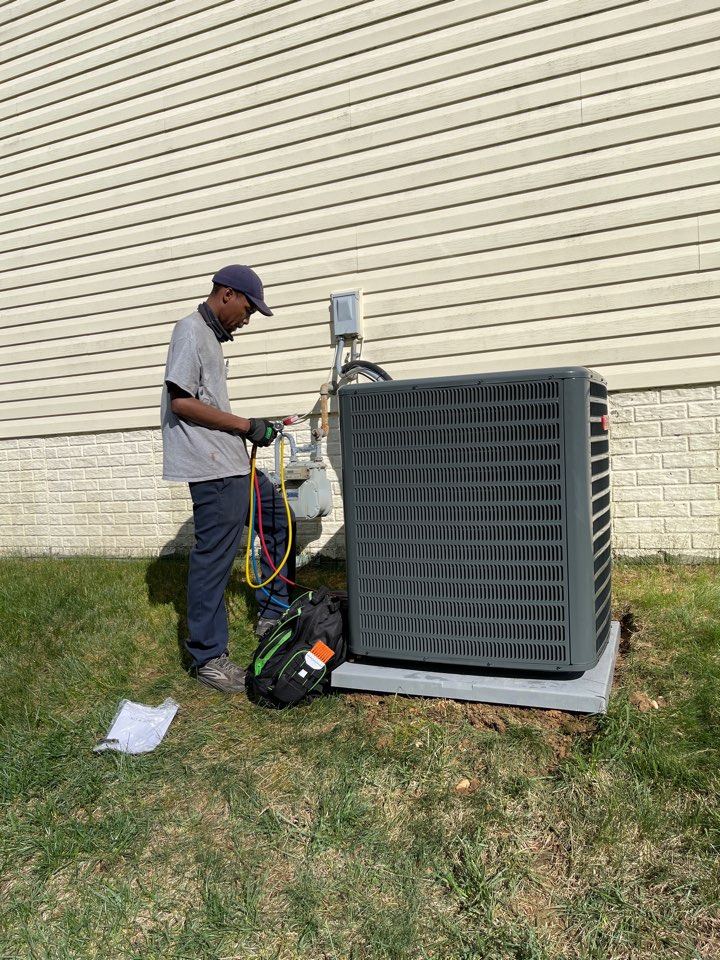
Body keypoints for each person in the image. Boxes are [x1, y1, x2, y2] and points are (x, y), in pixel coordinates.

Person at [161, 264, 294, 693]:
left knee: (278, 519)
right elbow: (181, 402)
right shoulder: (190, 331)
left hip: (234, 464)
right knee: (214, 560)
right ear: (227, 294)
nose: (248, 318)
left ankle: (272, 610)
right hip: (212, 468)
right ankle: (208, 659)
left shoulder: (212, 340)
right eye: (248, 308)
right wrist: (244, 425)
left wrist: (253, 428)